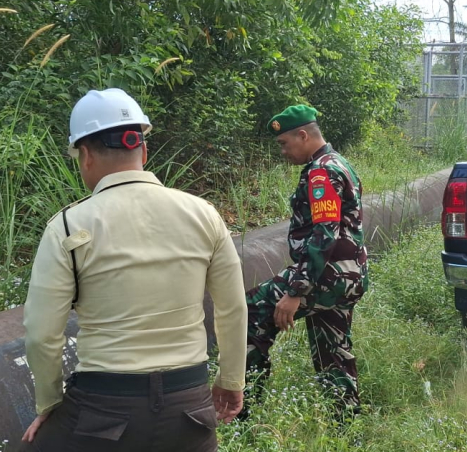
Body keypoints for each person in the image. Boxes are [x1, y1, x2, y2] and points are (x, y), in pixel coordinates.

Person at [20, 88, 247, 452]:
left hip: (102, 411)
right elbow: (232, 308)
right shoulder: (204, 214)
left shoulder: (66, 226)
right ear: (143, 150)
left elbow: (41, 335)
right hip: (189, 409)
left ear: (85, 155)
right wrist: (231, 380)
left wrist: (49, 404)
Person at [244, 104, 368, 418]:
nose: (283, 151)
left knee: (252, 311)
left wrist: (296, 291)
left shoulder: (322, 170)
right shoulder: (337, 163)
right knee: (333, 349)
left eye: (284, 143)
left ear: (303, 135)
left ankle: (243, 412)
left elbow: (325, 233)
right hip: (348, 275)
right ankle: (344, 424)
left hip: (328, 274)